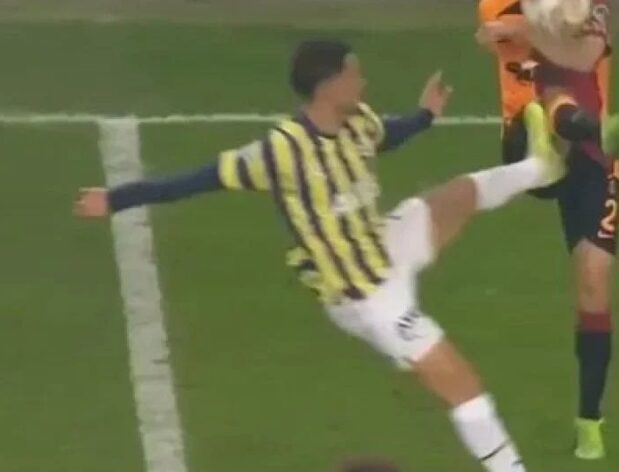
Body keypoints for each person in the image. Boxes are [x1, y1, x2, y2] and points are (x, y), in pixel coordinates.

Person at [74, 40, 567, 472]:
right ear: (329, 86)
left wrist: (424, 116)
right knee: (460, 383)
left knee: (459, 195)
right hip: (365, 297)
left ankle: (542, 167)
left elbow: (386, 135)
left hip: (382, 244)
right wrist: (115, 199)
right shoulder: (281, 152)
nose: (363, 80)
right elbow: (195, 180)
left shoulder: (357, 121)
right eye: (354, 73)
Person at [475, 0, 619, 460]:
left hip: (591, 155)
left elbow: (586, 55)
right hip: (524, 150)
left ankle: (589, 421)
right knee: (548, 100)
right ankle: (564, 131)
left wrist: (527, 31)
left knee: (594, 286)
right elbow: (494, 35)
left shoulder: (593, 0)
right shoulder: (497, 3)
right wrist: (534, 28)